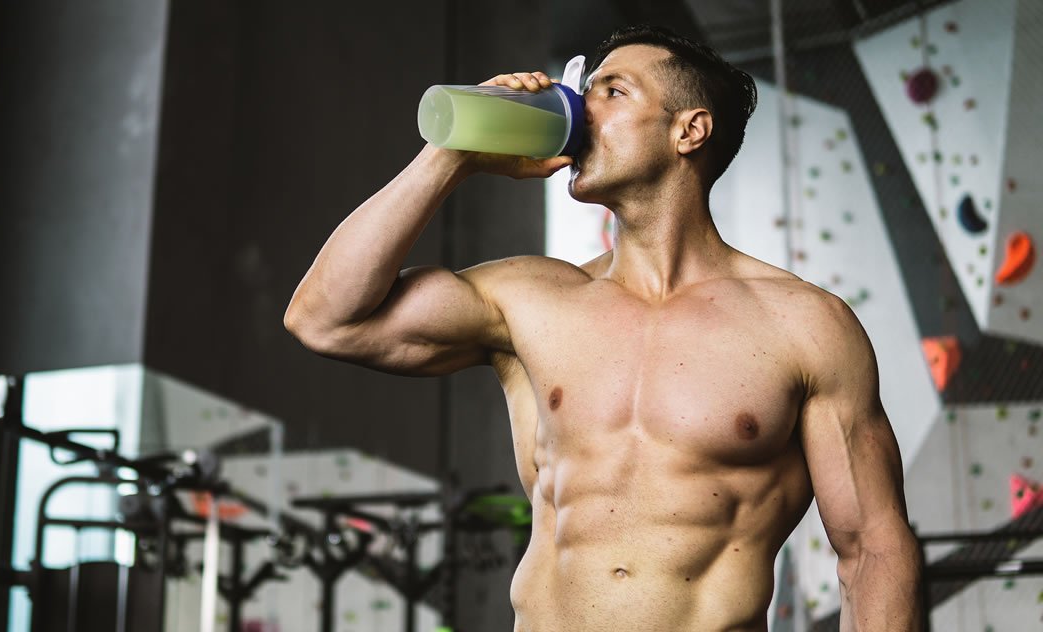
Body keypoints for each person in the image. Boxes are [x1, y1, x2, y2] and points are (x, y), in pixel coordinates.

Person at [284, 23, 922, 632]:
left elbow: (872, 551)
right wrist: (449, 157)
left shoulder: (803, 325)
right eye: (586, 91)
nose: (584, 113)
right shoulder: (530, 299)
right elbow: (324, 319)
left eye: (613, 91)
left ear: (689, 130)